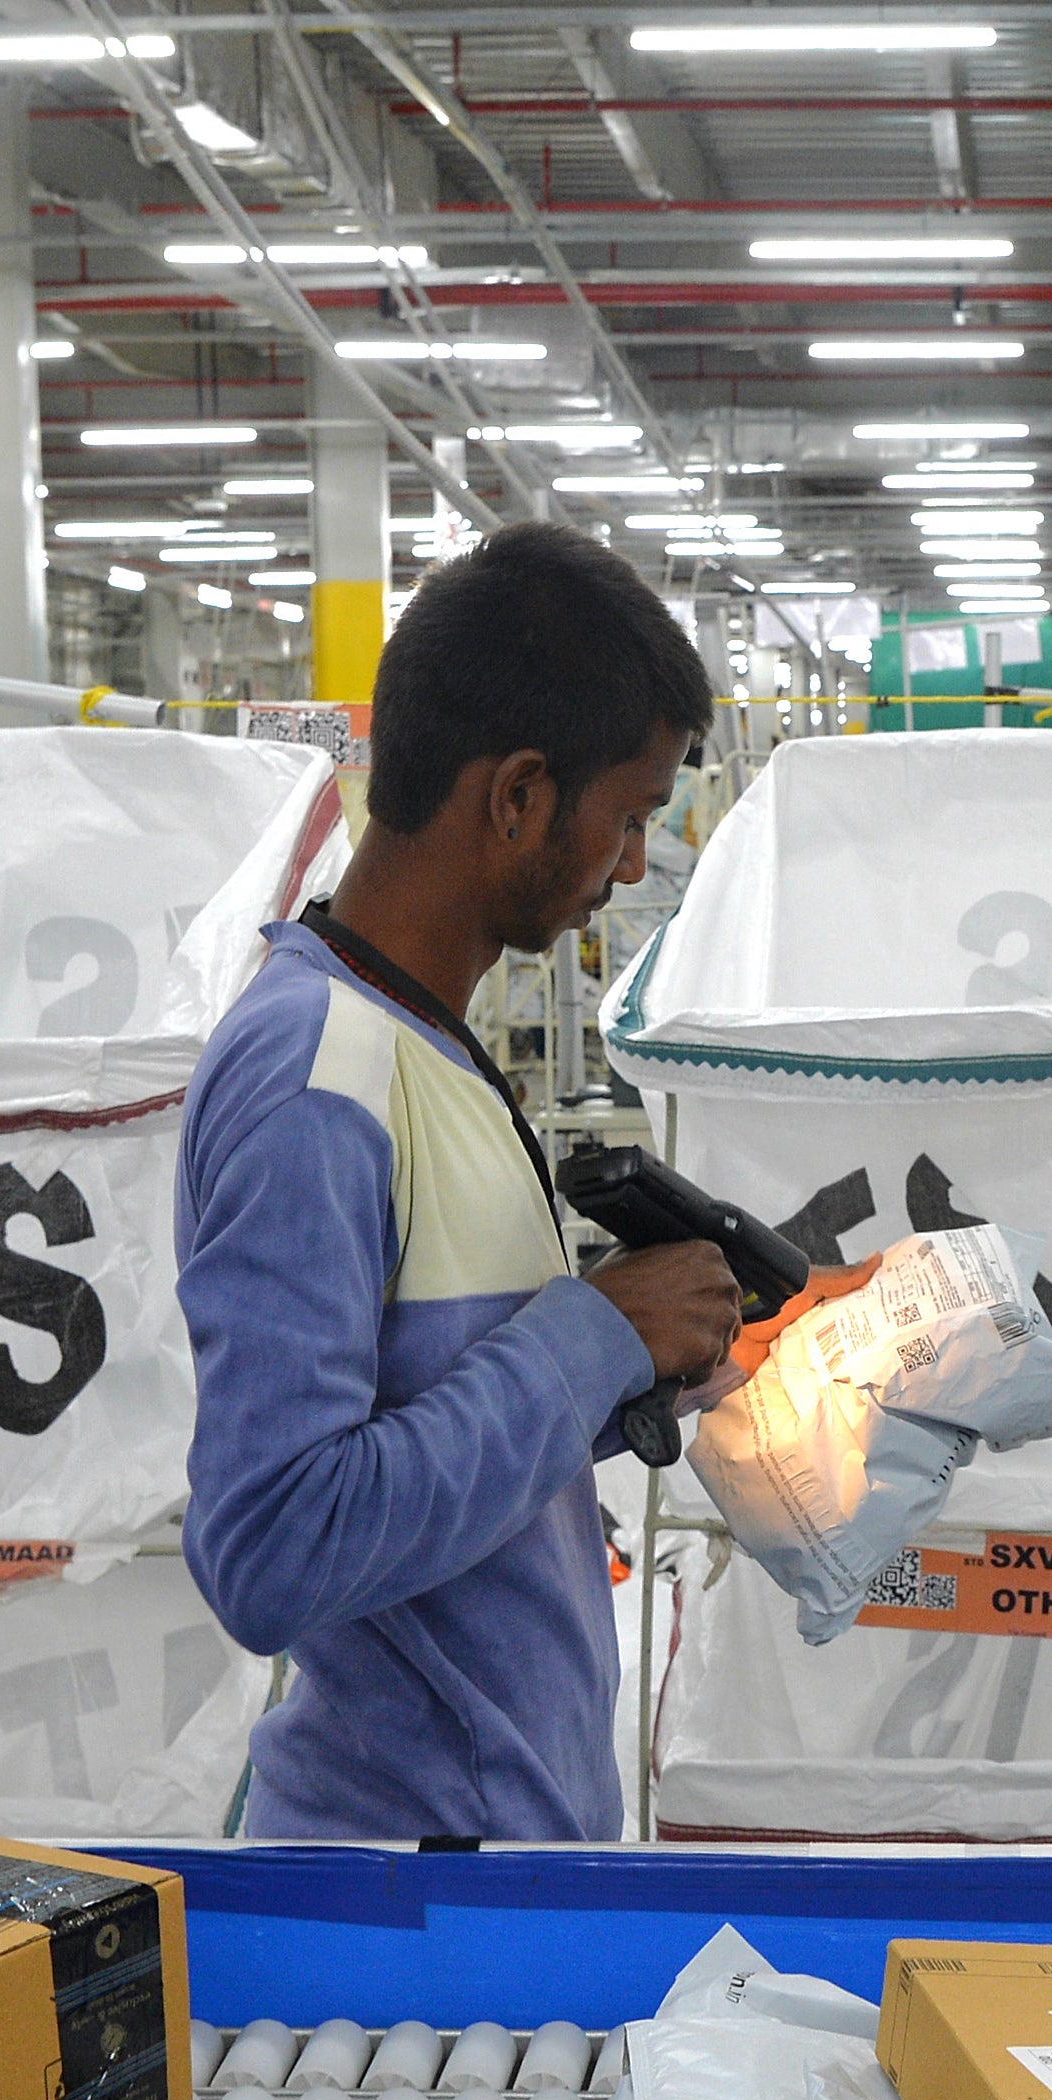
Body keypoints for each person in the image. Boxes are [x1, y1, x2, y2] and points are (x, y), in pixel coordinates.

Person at [175, 521, 745, 1839]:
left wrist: (628, 1368)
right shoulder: (313, 1077)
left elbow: (435, 1425)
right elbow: (273, 1549)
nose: (629, 866)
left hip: (497, 1842)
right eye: (630, 817)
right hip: (405, 1880)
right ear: (519, 796)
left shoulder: (421, 1044)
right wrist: (584, 1339)